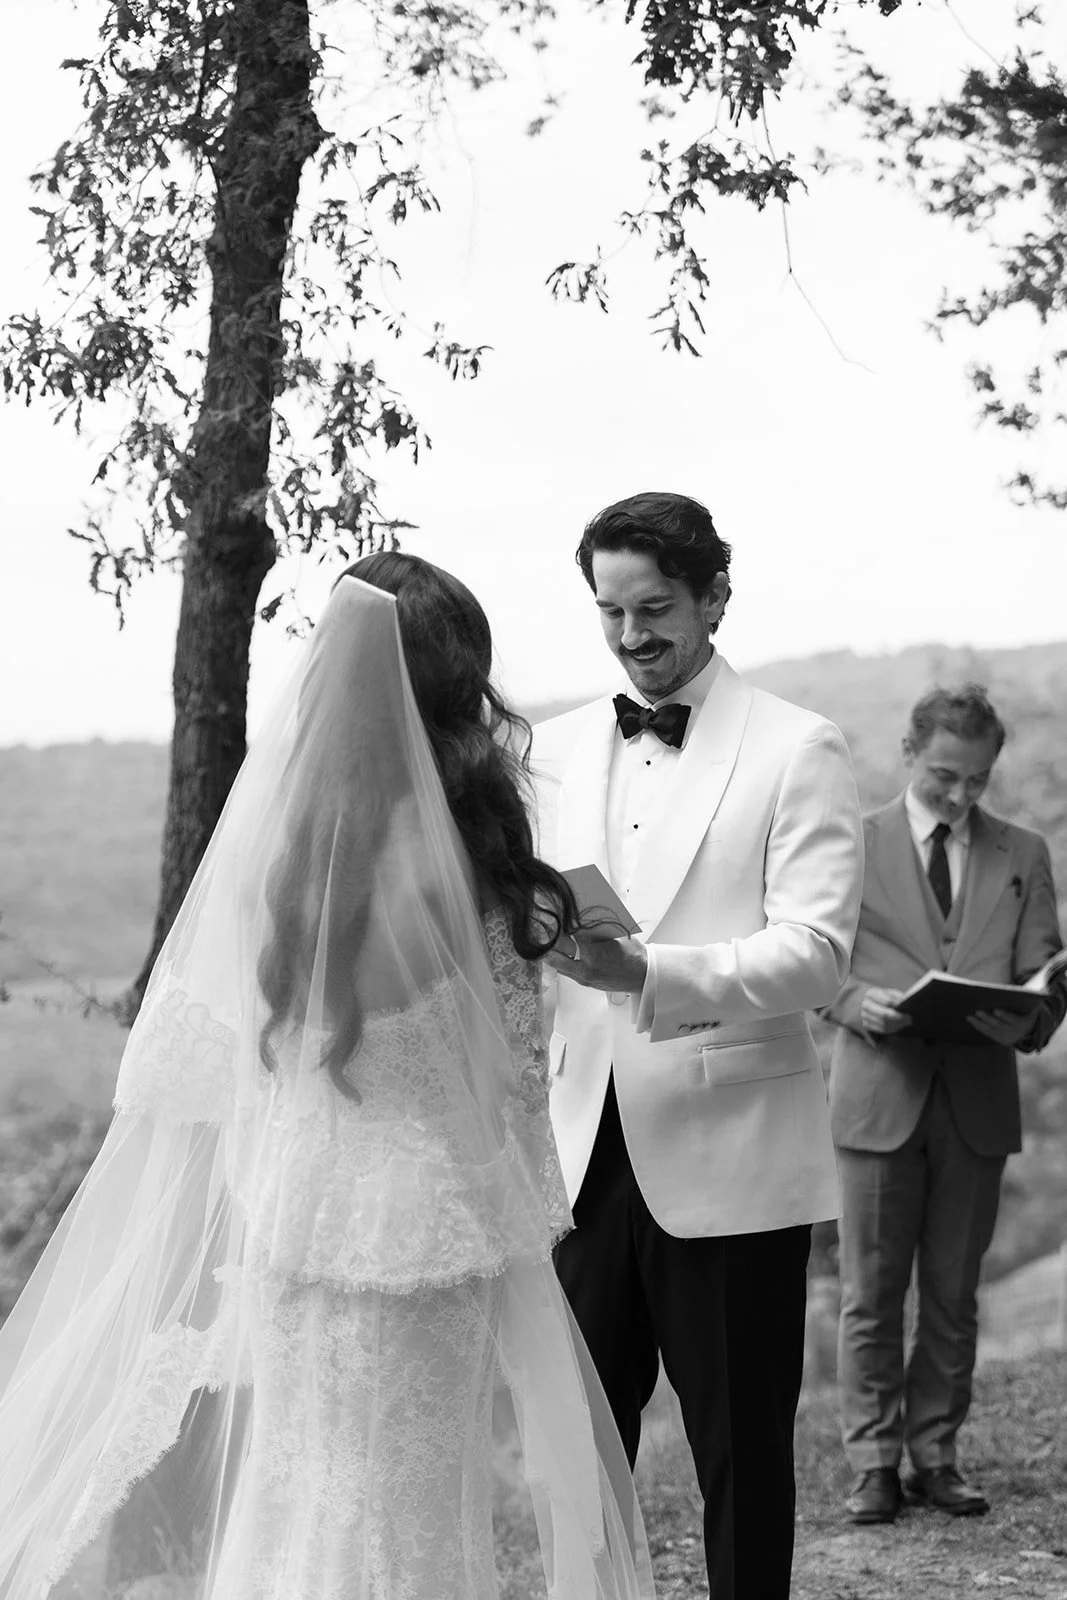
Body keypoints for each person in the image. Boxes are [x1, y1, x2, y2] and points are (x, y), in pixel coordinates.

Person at [0, 557, 655, 1600]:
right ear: (446, 694)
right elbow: (498, 1078)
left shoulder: (294, 853)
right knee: (410, 1518)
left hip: (300, 1219)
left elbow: (225, 1055)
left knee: (304, 1498)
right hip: (423, 1235)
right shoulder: (457, 860)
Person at [532, 491, 864, 1600]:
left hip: (731, 1156)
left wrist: (653, 976)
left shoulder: (797, 746)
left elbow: (816, 954)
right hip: (576, 1154)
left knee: (741, 1459)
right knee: (580, 1454)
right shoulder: (552, 745)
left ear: (716, 595)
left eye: (656, 608)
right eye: (611, 612)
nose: (633, 636)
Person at [826, 683, 1067, 1526]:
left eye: (976, 782)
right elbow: (813, 961)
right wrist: (852, 1004)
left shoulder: (1024, 853)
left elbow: (1044, 969)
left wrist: (1034, 1011)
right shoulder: (848, 845)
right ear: (907, 753)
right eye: (943, 778)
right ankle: (871, 1465)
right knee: (870, 1292)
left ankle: (936, 1456)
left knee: (953, 1294)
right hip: (875, 1093)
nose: (960, 797)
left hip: (976, 1099)